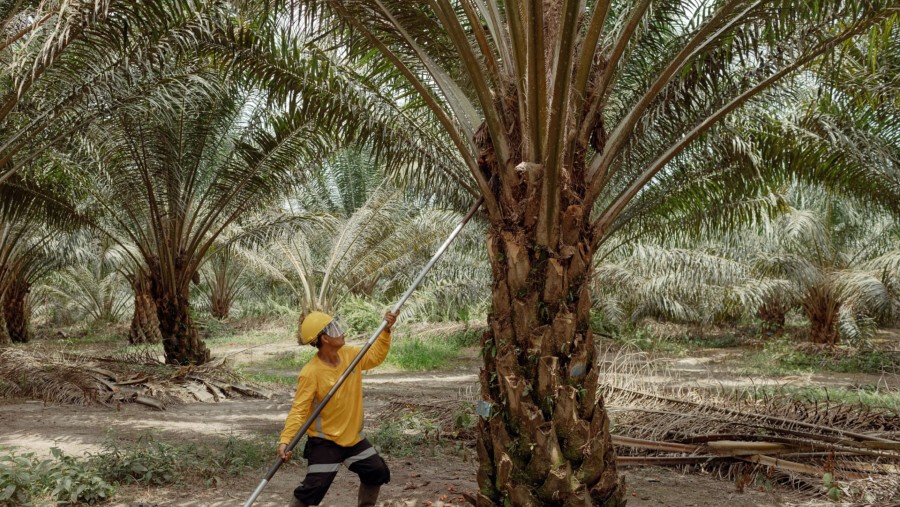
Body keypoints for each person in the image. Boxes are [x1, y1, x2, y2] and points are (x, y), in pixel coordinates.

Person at [278, 310, 397, 507]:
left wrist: (386, 331)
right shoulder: (311, 373)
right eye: (335, 329)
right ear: (324, 338)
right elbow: (299, 411)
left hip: (353, 439)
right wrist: (285, 441)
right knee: (314, 488)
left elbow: (375, 357)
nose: (341, 332)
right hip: (326, 442)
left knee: (377, 471)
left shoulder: (350, 354)